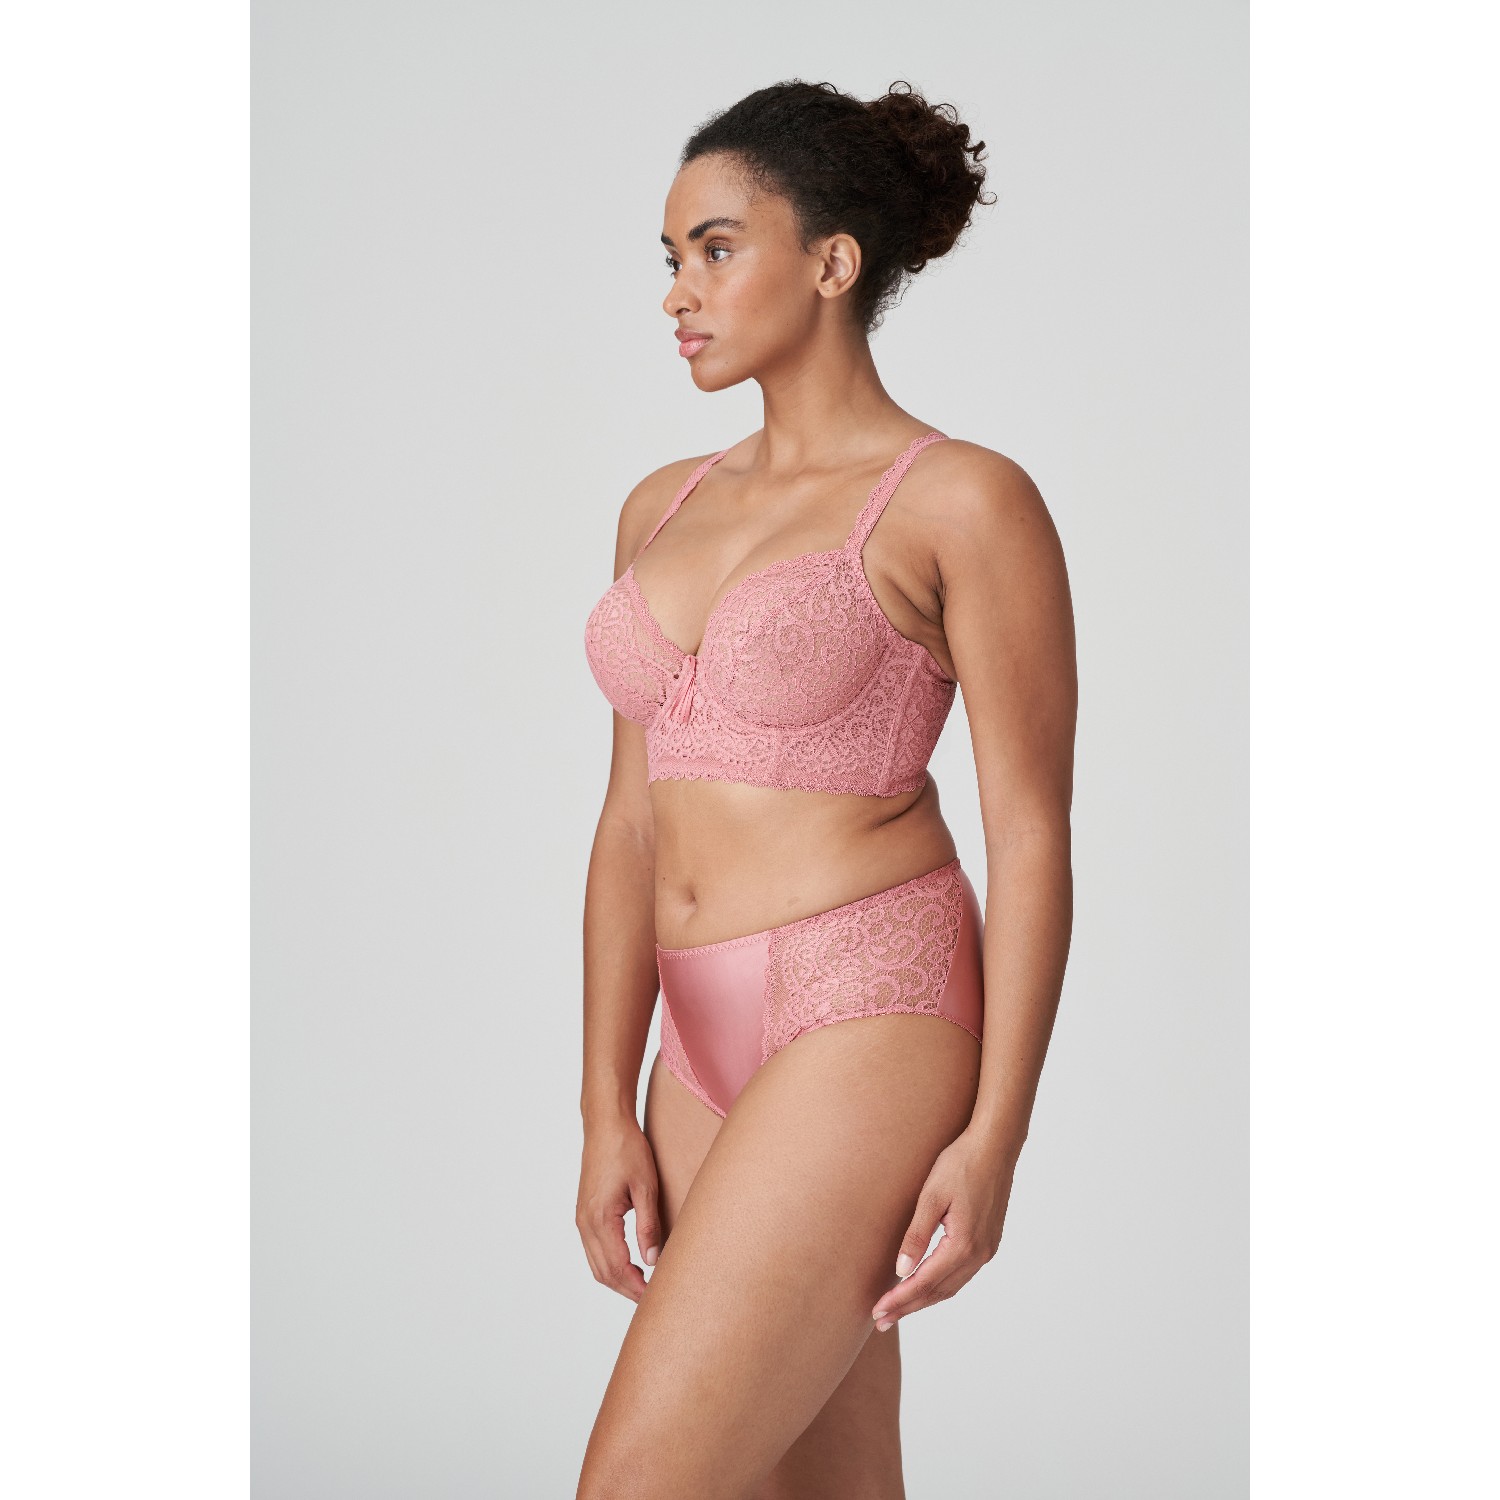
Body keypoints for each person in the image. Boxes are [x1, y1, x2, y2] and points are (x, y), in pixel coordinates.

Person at [575, 78, 1077, 1498]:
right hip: (691, 1040)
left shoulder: (961, 499)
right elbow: (629, 824)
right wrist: (605, 1103)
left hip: (869, 1005)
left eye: (717, 248)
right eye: (671, 257)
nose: (678, 292)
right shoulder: (660, 506)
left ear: (833, 261)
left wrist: (996, 1138)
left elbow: (1031, 833)